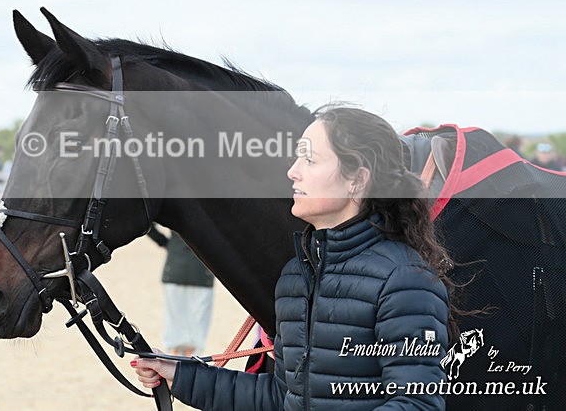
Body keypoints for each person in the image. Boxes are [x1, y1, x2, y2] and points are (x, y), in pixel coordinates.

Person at [132, 106, 452, 410]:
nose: (293, 172)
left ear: (357, 179)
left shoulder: (405, 281)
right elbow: (280, 397)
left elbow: (418, 402)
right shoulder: (295, 277)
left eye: (309, 160)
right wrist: (180, 375)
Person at [148, 224, 215, 357]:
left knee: (174, 322)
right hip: (202, 269)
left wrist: (164, 242)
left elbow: (149, 223)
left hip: (175, 266)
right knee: (197, 325)